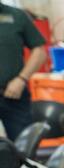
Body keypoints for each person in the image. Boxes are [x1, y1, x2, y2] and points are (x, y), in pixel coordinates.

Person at [0, 3, 46, 141]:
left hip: (13, 95)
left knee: (23, 149)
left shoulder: (17, 16)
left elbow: (40, 51)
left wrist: (21, 79)